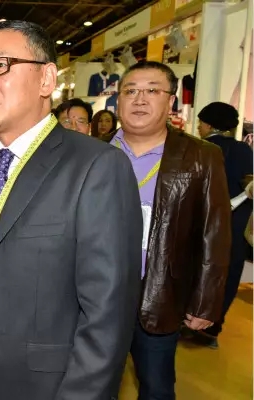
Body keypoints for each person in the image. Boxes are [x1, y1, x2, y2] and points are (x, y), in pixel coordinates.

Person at [0, 20, 143, 400]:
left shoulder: (96, 166)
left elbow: (108, 314)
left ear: (47, 79)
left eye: (0, 66)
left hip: (47, 383)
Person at [109, 61, 231, 399]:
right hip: (95, 295)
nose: (139, 99)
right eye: (130, 91)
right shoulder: (93, 152)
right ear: (118, 101)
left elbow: (215, 233)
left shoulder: (201, 155)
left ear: (171, 101)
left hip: (160, 293)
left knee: (157, 387)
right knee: (91, 385)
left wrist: (205, 302)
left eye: (152, 90)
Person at [194, 101, 253, 348]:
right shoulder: (244, 151)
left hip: (203, 221)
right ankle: (212, 330)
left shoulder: (200, 149)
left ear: (208, 125)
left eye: (200, 123)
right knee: (228, 275)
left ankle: (189, 320)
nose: (199, 127)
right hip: (235, 224)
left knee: (196, 270)